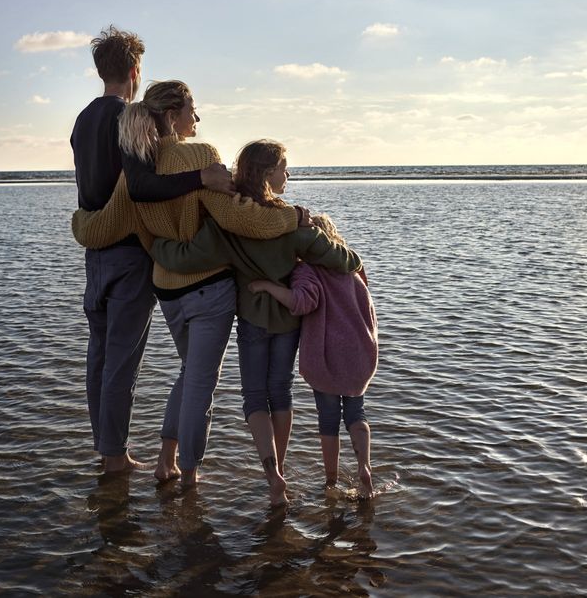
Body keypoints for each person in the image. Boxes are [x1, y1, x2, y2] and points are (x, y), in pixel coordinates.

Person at [70, 81, 309, 490]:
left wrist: (79, 223)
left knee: (188, 374)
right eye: (192, 110)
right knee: (201, 384)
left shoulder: (136, 172)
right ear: (171, 116)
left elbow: (108, 224)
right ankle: (190, 476)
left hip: (167, 293)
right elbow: (241, 219)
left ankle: (166, 459)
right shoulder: (200, 156)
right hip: (209, 292)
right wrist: (294, 218)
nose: (196, 119)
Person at [147, 139, 362, 506]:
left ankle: (271, 472)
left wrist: (153, 244)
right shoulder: (290, 220)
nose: (287, 174)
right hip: (287, 320)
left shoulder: (227, 221)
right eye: (283, 168)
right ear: (267, 173)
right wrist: (354, 261)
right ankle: (281, 467)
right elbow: (338, 257)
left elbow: (187, 258)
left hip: (250, 318)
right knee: (280, 392)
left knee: (253, 398)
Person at [72, 26, 236, 474]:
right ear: (135, 70)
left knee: (100, 354)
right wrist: (201, 178)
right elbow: (143, 187)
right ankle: (114, 457)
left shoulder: (83, 120)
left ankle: (106, 449)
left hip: (96, 253)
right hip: (128, 254)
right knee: (121, 360)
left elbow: (92, 188)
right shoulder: (130, 118)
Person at [249, 214, 378, 499]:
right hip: (357, 354)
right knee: (356, 413)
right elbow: (369, 308)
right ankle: (364, 468)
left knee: (328, 419)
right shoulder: (351, 268)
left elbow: (302, 302)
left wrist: (268, 286)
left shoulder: (308, 270)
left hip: (327, 357)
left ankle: (331, 481)